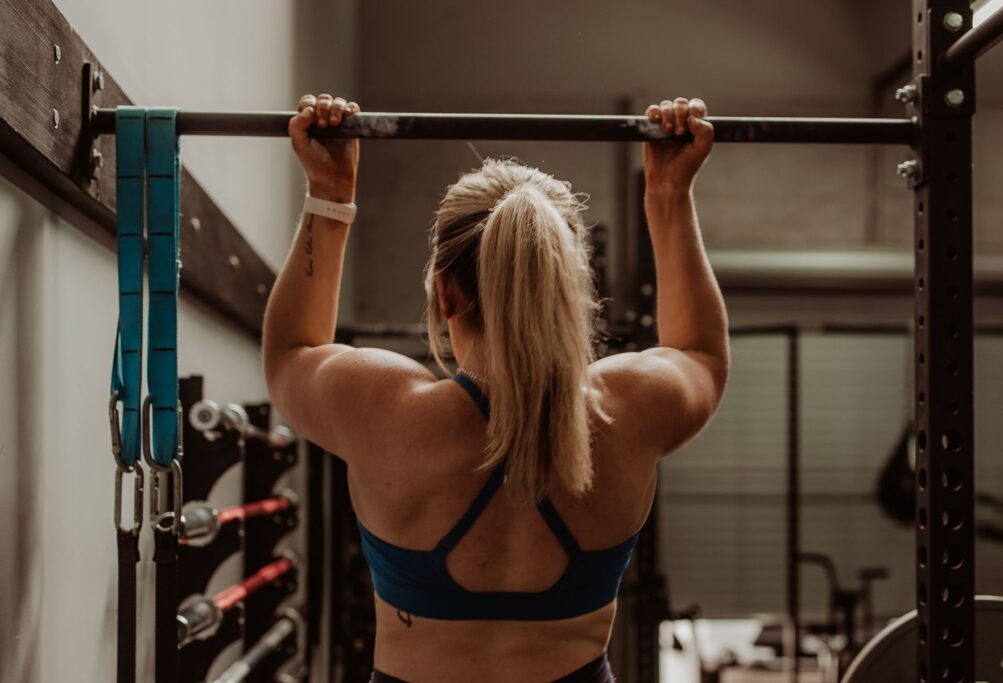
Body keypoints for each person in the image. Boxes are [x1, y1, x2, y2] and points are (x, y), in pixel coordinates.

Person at [262, 94, 730, 683]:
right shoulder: (627, 408)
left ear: (444, 293)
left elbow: (289, 353)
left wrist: (330, 193)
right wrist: (668, 196)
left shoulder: (383, 410)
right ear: (572, 292)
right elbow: (701, 353)